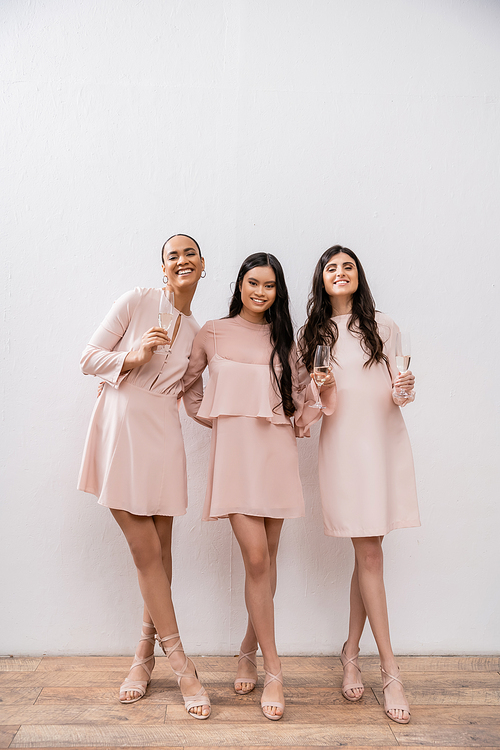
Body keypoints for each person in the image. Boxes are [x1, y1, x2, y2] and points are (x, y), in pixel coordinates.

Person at [77, 234, 211, 719]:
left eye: (190, 253)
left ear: (203, 266)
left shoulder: (199, 332)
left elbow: (194, 401)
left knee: (161, 551)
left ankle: (142, 656)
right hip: (120, 428)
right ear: (162, 267)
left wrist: (246, 421)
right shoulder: (136, 301)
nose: (181, 260)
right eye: (172, 254)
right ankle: (181, 664)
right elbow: (89, 357)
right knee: (144, 550)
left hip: (163, 435)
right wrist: (131, 356)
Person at [182, 253, 314, 721]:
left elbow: (301, 397)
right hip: (235, 459)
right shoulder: (212, 332)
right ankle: (275, 671)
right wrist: (221, 425)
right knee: (256, 558)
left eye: (270, 285)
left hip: (276, 454)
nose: (261, 291)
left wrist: (321, 390)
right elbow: (189, 387)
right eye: (253, 282)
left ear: (278, 292)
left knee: (269, 559)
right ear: (240, 284)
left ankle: (247, 646)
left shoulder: (284, 338)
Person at [297, 245, 420, 725]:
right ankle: (390, 671)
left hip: (384, 444)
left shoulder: (383, 326)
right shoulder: (312, 333)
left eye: (348, 266)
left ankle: (351, 651)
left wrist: (405, 386)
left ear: (358, 276)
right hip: (344, 449)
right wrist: (317, 385)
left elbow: (398, 391)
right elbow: (307, 406)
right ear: (322, 281)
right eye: (332, 267)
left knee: (367, 552)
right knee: (368, 553)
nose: (340, 272)